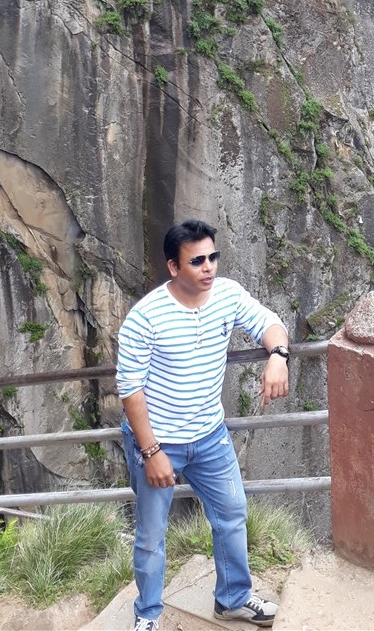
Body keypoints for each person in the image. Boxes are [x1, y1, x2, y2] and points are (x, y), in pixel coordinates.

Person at [116, 219, 290, 631]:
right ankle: (147, 617)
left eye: (213, 257)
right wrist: (152, 451)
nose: (209, 267)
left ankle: (231, 599)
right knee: (152, 534)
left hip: (210, 435)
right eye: (197, 261)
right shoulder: (146, 318)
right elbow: (130, 390)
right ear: (174, 267)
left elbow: (268, 322)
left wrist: (278, 355)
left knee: (231, 515)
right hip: (158, 441)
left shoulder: (226, 295)